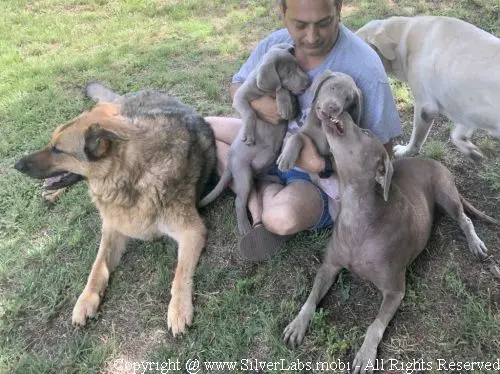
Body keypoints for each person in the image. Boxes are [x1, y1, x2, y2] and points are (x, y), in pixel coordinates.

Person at [204, 0, 402, 261]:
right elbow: (237, 85)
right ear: (282, 12)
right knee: (201, 128)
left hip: (311, 177)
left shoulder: (365, 66)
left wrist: (322, 166)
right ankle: (256, 192)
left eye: (323, 23)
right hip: (268, 138)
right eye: (300, 25)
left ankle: (259, 196)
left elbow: (383, 153)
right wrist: (261, 105)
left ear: (339, 8)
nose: (311, 37)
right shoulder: (277, 44)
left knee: (282, 218)